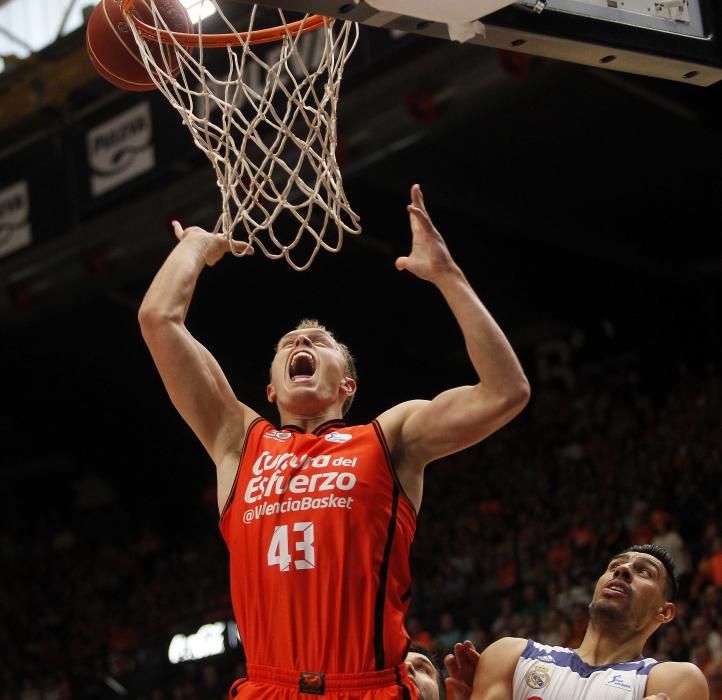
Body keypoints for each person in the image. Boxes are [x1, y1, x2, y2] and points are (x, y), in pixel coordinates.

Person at [138, 184, 530, 698]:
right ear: (271, 387)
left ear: (347, 386)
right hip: (268, 687)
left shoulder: (389, 438)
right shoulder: (237, 441)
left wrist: (447, 276)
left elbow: (506, 392)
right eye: (289, 343)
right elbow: (158, 319)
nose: (302, 341)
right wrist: (193, 245)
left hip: (368, 686)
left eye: (319, 343)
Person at [448, 545, 709, 700]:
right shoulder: (509, 654)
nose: (622, 570)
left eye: (644, 572)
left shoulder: (676, 681)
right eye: (614, 566)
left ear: (665, 613)